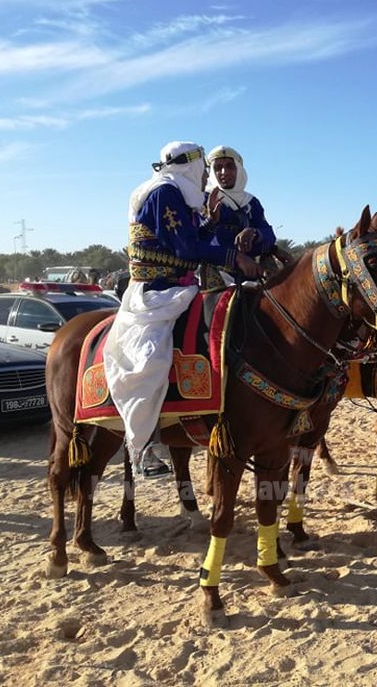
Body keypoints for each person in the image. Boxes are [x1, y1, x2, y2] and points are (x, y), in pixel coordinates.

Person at [103, 141, 261, 478]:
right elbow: (186, 248)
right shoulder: (165, 193)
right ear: (190, 166)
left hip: (183, 288)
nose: (207, 176)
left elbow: (188, 239)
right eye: (205, 168)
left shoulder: (180, 194)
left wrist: (210, 223)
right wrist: (234, 257)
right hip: (155, 293)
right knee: (150, 357)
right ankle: (146, 443)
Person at [201, 146, 278, 279]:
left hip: (249, 270)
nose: (224, 172)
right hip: (217, 271)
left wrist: (254, 233)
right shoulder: (203, 199)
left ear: (239, 169)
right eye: (218, 168)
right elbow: (199, 240)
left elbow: (269, 235)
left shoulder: (251, 202)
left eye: (230, 166)